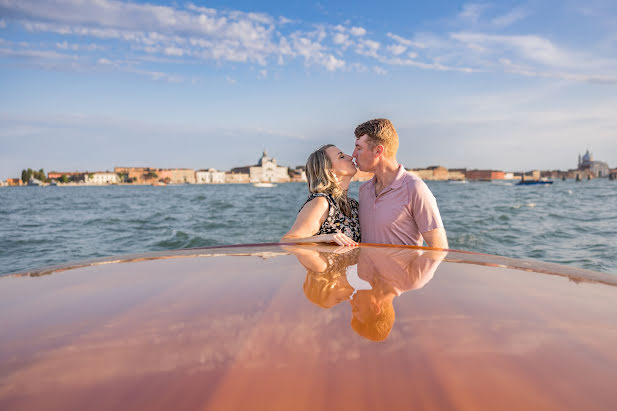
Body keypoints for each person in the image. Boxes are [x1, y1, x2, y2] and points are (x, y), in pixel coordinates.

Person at [352, 118, 448, 248]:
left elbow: (439, 249)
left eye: (359, 148)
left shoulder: (415, 188)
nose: (354, 154)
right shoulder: (364, 189)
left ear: (378, 151)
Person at [281, 144, 360, 246]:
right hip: (324, 262)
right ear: (329, 169)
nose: (350, 157)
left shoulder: (353, 204)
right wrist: (324, 238)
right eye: (341, 157)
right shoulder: (322, 202)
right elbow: (286, 241)